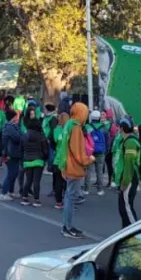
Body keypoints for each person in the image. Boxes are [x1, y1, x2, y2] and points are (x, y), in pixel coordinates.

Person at [54, 102, 93, 238]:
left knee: (68, 197)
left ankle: (66, 226)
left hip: (66, 164)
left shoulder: (68, 124)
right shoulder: (75, 127)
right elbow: (78, 152)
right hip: (74, 166)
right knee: (71, 197)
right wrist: (88, 160)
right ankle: (68, 227)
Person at [116, 120, 141, 228]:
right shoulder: (125, 140)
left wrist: (125, 182)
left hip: (129, 178)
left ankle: (135, 233)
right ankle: (125, 234)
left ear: (122, 128)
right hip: (126, 177)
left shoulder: (130, 142)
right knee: (123, 209)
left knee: (127, 209)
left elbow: (129, 164)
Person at [20, 114, 49, 207]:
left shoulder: (24, 135)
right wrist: (45, 159)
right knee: (36, 181)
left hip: (27, 160)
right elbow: (45, 150)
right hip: (38, 160)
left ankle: (24, 197)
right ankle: (36, 199)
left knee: (28, 180)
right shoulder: (41, 136)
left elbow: (21, 149)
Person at [0, 109, 22, 201]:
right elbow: (18, 137)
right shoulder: (9, 127)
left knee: (14, 173)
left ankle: (10, 191)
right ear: (14, 117)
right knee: (11, 173)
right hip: (10, 153)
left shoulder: (12, 126)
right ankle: (3, 193)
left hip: (14, 152)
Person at [84, 111, 108, 196]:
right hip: (101, 152)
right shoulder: (104, 127)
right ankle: (100, 190)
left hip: (90, 151)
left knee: (88, 171)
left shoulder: (87, 127)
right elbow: (107, 141)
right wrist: (106, 151)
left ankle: (86, 189)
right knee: (99, 171)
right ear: (99, 118)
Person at [51, 112, 69, 208]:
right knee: (66, 181)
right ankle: (66, 200)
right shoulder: (69, 130)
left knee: (59, 181)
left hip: (58, 158)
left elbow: (56, 140)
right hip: (67, 159)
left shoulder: (57, 130)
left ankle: (59, 201)